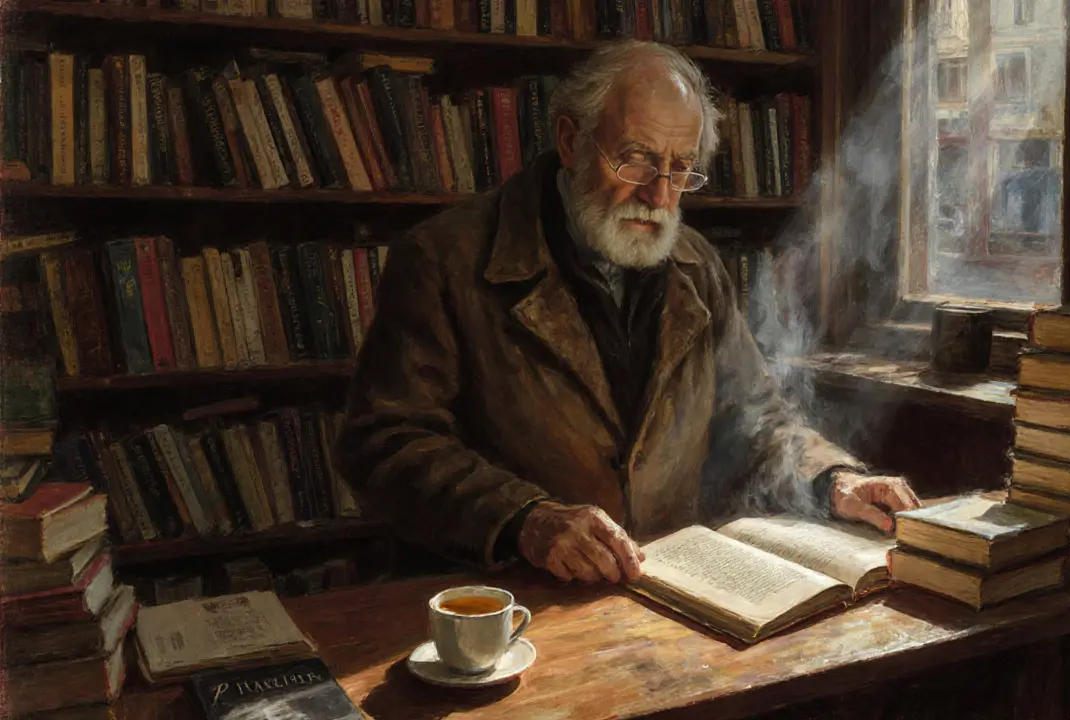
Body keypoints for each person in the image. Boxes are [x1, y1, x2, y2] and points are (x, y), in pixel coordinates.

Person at [336, 40, 921, 585]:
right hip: (501, 596)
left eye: (680, 168)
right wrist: (525, 518)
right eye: (636, 160)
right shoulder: (444, 258)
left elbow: (754, 420)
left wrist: (833, 479)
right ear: (570, 142)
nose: (660, 195)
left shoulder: (697, 265)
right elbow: (386, 440)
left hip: (667, 588)